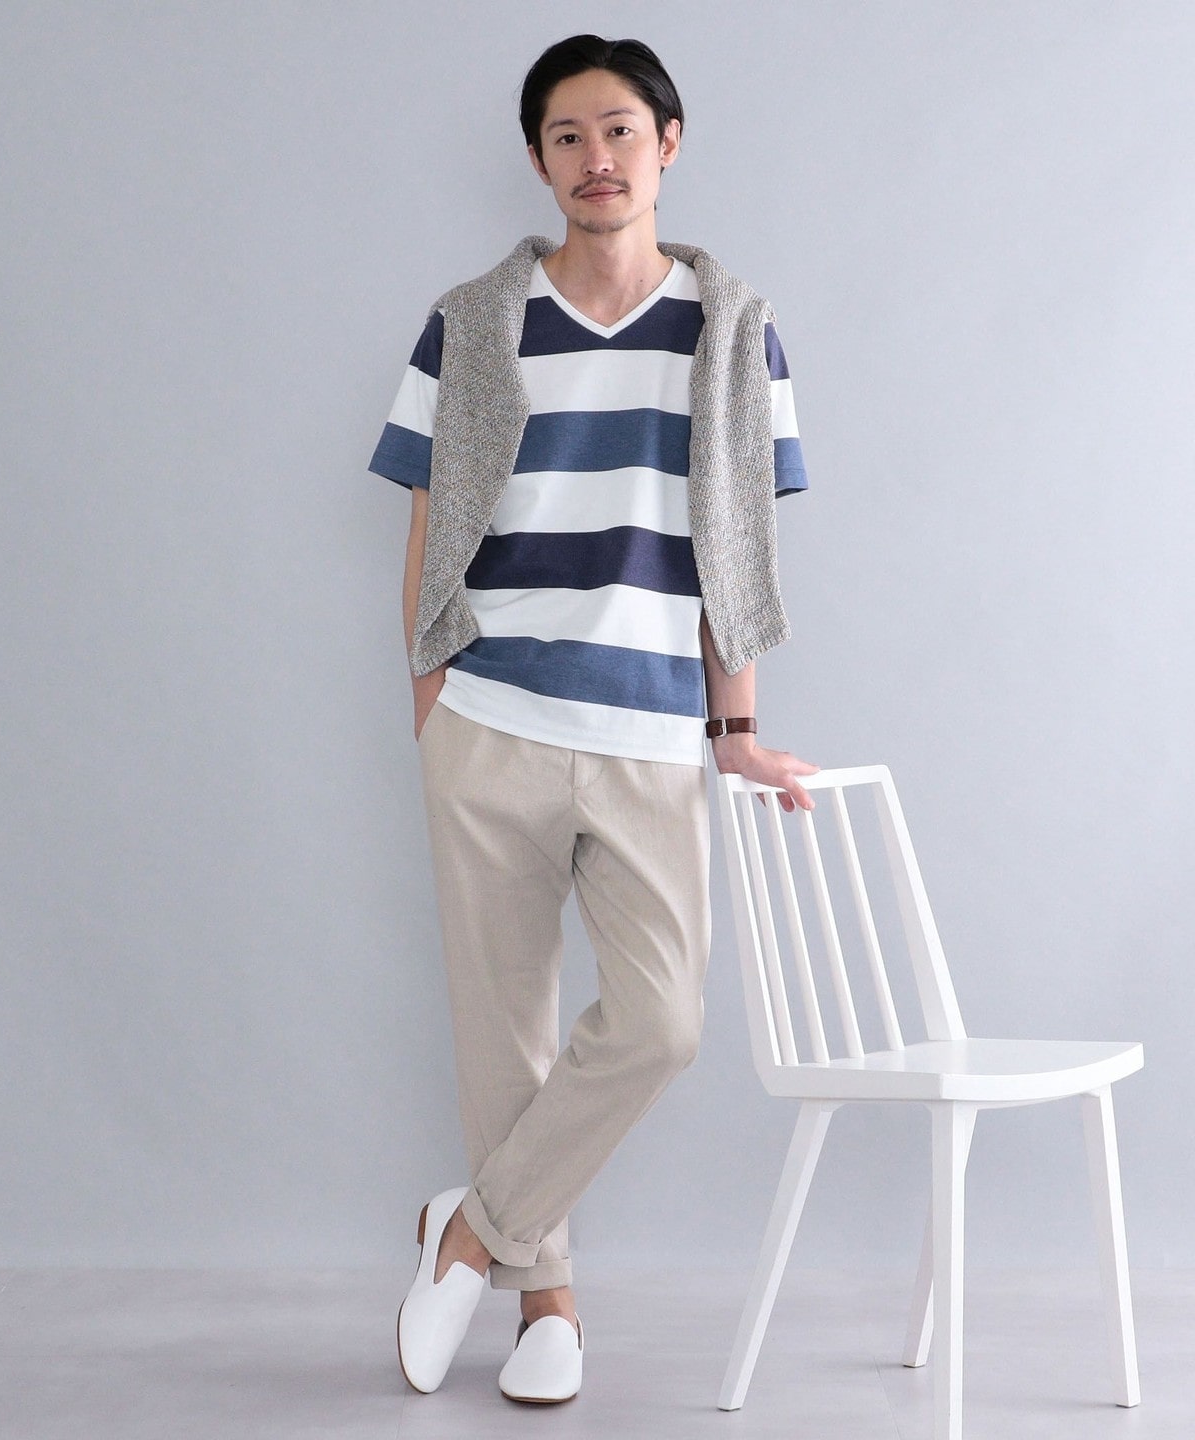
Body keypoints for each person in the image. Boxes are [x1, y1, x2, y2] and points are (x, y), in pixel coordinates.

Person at [367, 33, 818, 1405]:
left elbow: (735, 546)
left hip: (648, 732)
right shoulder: (470, 322)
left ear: (668, 144)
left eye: (620, 130)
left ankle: (468, 1233)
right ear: (538, 160)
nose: (596, 158)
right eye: (567, 136)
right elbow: (429, 518)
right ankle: (547, 1305)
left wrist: (735, 726)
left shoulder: (733, 333)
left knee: (661, 1022)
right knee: (504, 1031)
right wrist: (430, 690)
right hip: (489, 714)